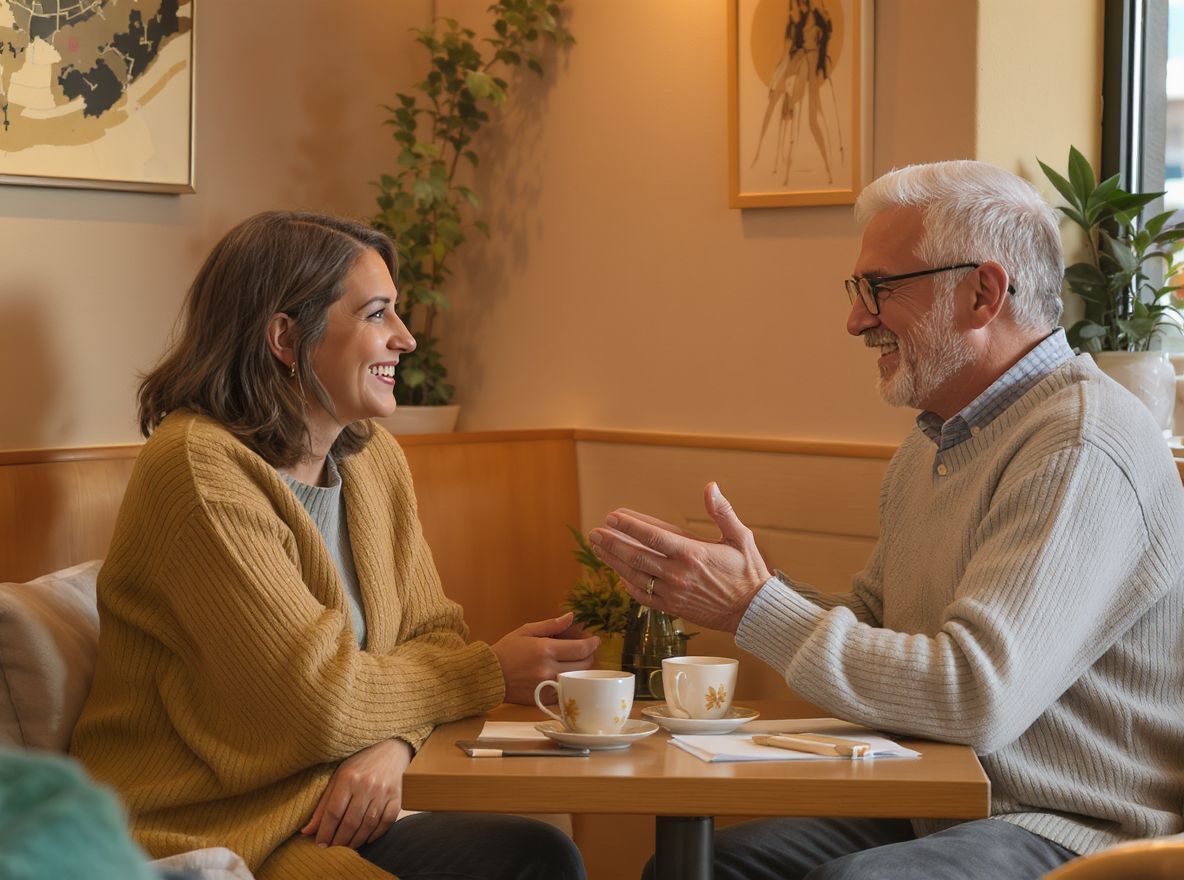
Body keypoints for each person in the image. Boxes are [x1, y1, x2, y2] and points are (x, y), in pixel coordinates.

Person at [589, 160, 1184, 880]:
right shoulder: (936, 440)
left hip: (1076, 829)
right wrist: (736, 589)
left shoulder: (1078, 444)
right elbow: (882, 627)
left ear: (983, 293)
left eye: (879, 288)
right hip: (938, 799)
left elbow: (975, 695)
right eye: (856, 289)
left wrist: (753, 605)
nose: (855, 319)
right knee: (704, 869)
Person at [70, 211, 595, 880]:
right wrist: (488, 672)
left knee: (540, 856)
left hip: (330, 802)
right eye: (378, 314)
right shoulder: (197, 470)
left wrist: (395, 747)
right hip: (215, 825)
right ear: (287, 337)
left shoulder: (373, 459)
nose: (405, 339)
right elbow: (317, 702)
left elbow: (434, 633)